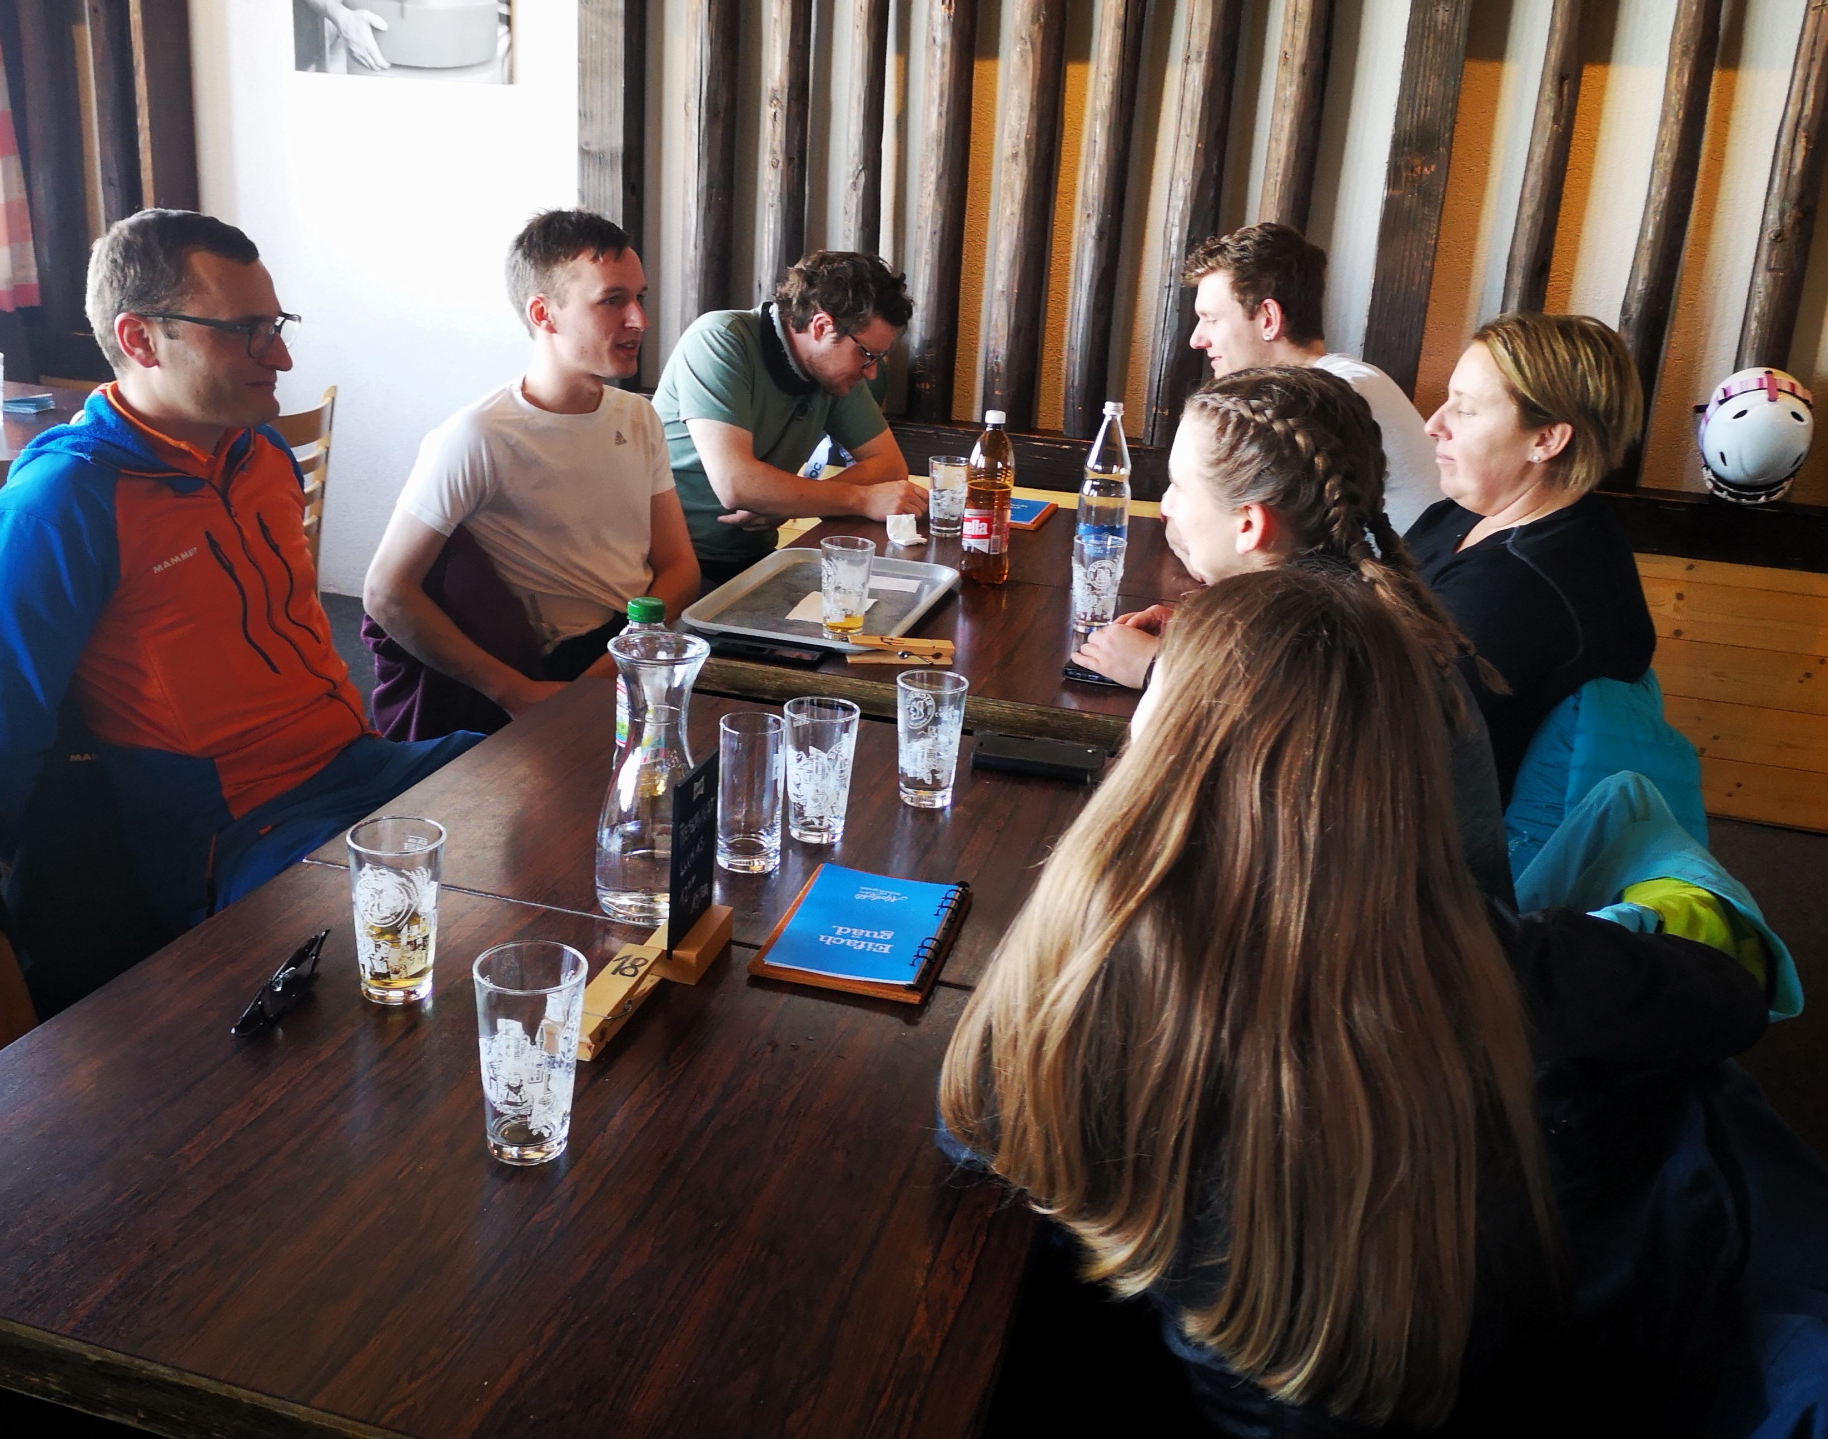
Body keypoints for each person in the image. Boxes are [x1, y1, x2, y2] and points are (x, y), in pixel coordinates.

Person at [940, 568, 1769, 1436]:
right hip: (1420, 1390)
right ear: (1404, 771)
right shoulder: (1489, 954)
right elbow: (1730, 1000)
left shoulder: (1086, 936)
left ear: (1166, 740)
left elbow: (969, 1122)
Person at [0, 209, 477, 940]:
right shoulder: (58, 508)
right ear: (140, 340)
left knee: (542, 784)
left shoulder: (260, 452)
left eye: (276, 326)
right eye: (245, 330)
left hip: (362, 764)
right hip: (243, 829)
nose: (280, 358)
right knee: (423, 933)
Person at [1071, 366, 1510, 898]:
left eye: (1180, 487)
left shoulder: (1267, 659)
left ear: (1249, 524)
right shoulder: (1383, 614)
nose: (1165, 505)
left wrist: (1182, 664)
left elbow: (1134, 858)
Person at [362, 210, 697, 738]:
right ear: (544, 314)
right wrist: (513, 691)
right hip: (552, 665)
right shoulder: (479, 434)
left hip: (633, 644)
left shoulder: (638, 416)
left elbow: (679, 566)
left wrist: (625, 661)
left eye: (640, 297)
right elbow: (386, 592)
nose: (639, 319)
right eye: (613, 300)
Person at [1410, 313, 1652, 797]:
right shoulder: (1463, 515)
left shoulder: (1520, 590)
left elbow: (1383, 732)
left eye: (1466, 410)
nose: (1434, 425)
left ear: (1546, 440)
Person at [653, 251, 927, 591]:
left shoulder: (833, 372)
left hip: (753, 562)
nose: (871, 373)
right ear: (822, 327)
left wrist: (791, 500)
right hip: (669, 567)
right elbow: (737, 485)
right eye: (867, 355)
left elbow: (890, 466)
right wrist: (861, 499)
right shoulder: (719, 339)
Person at [1185, 223, 1442, 531]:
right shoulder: (1347, 380)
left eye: (1211, 320)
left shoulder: (1326, 399)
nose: (1197, 340)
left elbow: (1255, 533)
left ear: (1269, 319)